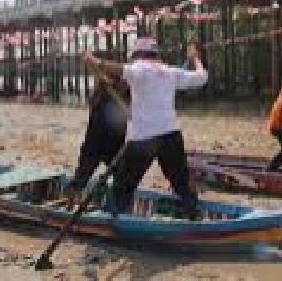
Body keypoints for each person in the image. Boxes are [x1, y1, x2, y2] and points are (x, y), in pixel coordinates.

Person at [80, 37, 208, 216]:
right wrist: (195, 59)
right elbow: (202, 77)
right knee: (181, 181)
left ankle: (114, 218)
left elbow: (116, 69)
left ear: (138, 55)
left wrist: (93, 60)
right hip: (170, 135)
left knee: (123, 184)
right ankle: (194, 214)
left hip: (143, 139)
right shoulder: (171, 72)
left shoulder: (139, 69)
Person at [66, 75, 130, 210]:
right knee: (81, 177)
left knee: (123, 176)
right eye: (123, 84)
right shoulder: (102, 100)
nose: (126, 87)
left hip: (115, 148)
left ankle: (115, 207)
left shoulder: (124, 100)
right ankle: (71, 205)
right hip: (94, 147)